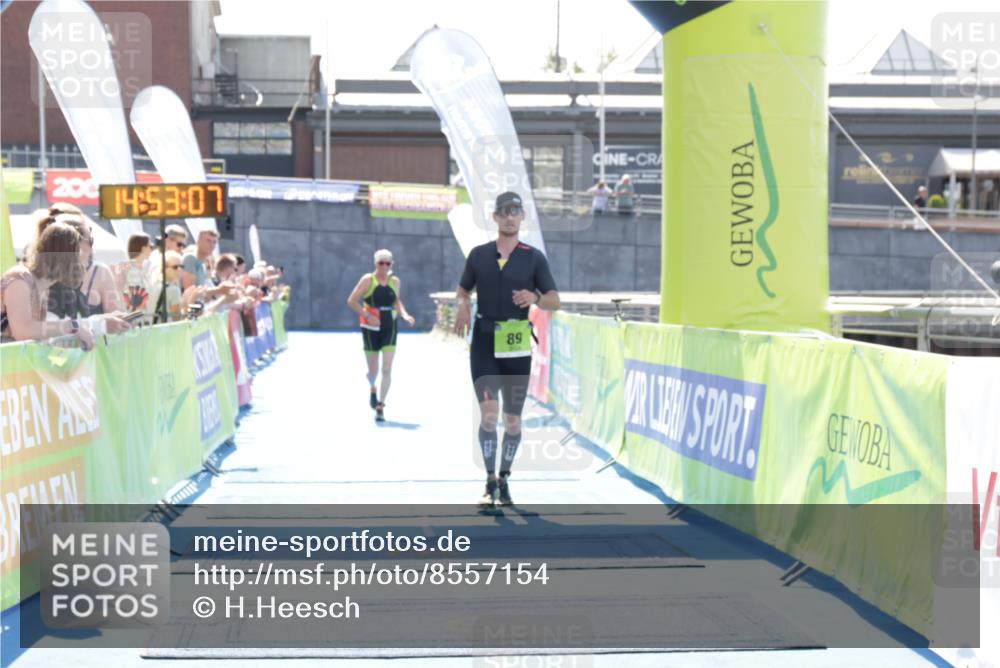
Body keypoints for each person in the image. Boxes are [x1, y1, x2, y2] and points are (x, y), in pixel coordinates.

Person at [453, 192, 560, 507]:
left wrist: (535, 297)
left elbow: (554, 299)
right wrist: (462, 305)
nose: (510, 217)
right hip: (485, 343)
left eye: (515, 212)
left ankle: (504, 478)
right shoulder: (479, 255)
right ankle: (489, 482)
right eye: (505, 212)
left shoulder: (533, 258)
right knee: (489, 416)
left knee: (512, 420)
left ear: (522, 217)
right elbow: (463, 289)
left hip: (516, 348)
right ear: (496, 217)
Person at [1, 222, 110, 348]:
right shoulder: (19, 280)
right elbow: (23, 331)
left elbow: (33, 335)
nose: (85, 262)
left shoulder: (39, 287)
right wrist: (72, 327)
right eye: (79, 253)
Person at [346, 249, 416, 422]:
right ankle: (372, 388)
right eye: (381, 263)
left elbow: (396, 301)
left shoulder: (395, 281)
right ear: (375, 264)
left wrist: (405, 314)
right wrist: (368, 315)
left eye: (387, 263)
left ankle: (380, 405)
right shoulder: (368, 279)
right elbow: (352, 301)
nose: (384, 266)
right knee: (373, 370)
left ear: (392, 264)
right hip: (370, 325)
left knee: (387, 368)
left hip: (389, 325)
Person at [124, 232, 154, 321]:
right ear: (143, 248)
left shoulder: (140, 269)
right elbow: (136, 301)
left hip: (141, 320)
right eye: (151, 246)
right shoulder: (132, 270)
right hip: (136, 321)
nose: (152, 250)